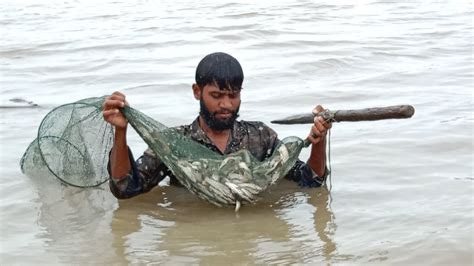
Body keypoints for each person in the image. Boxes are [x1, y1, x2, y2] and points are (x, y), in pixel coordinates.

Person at [103, 52, 332, 199]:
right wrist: (120, 132)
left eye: (233, 96)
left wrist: (318, 140)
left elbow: (310, 182)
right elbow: (126, 189)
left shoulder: (260, 137)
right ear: (197, 92)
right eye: (216, 95)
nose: (226, 105)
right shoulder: (174, 143)